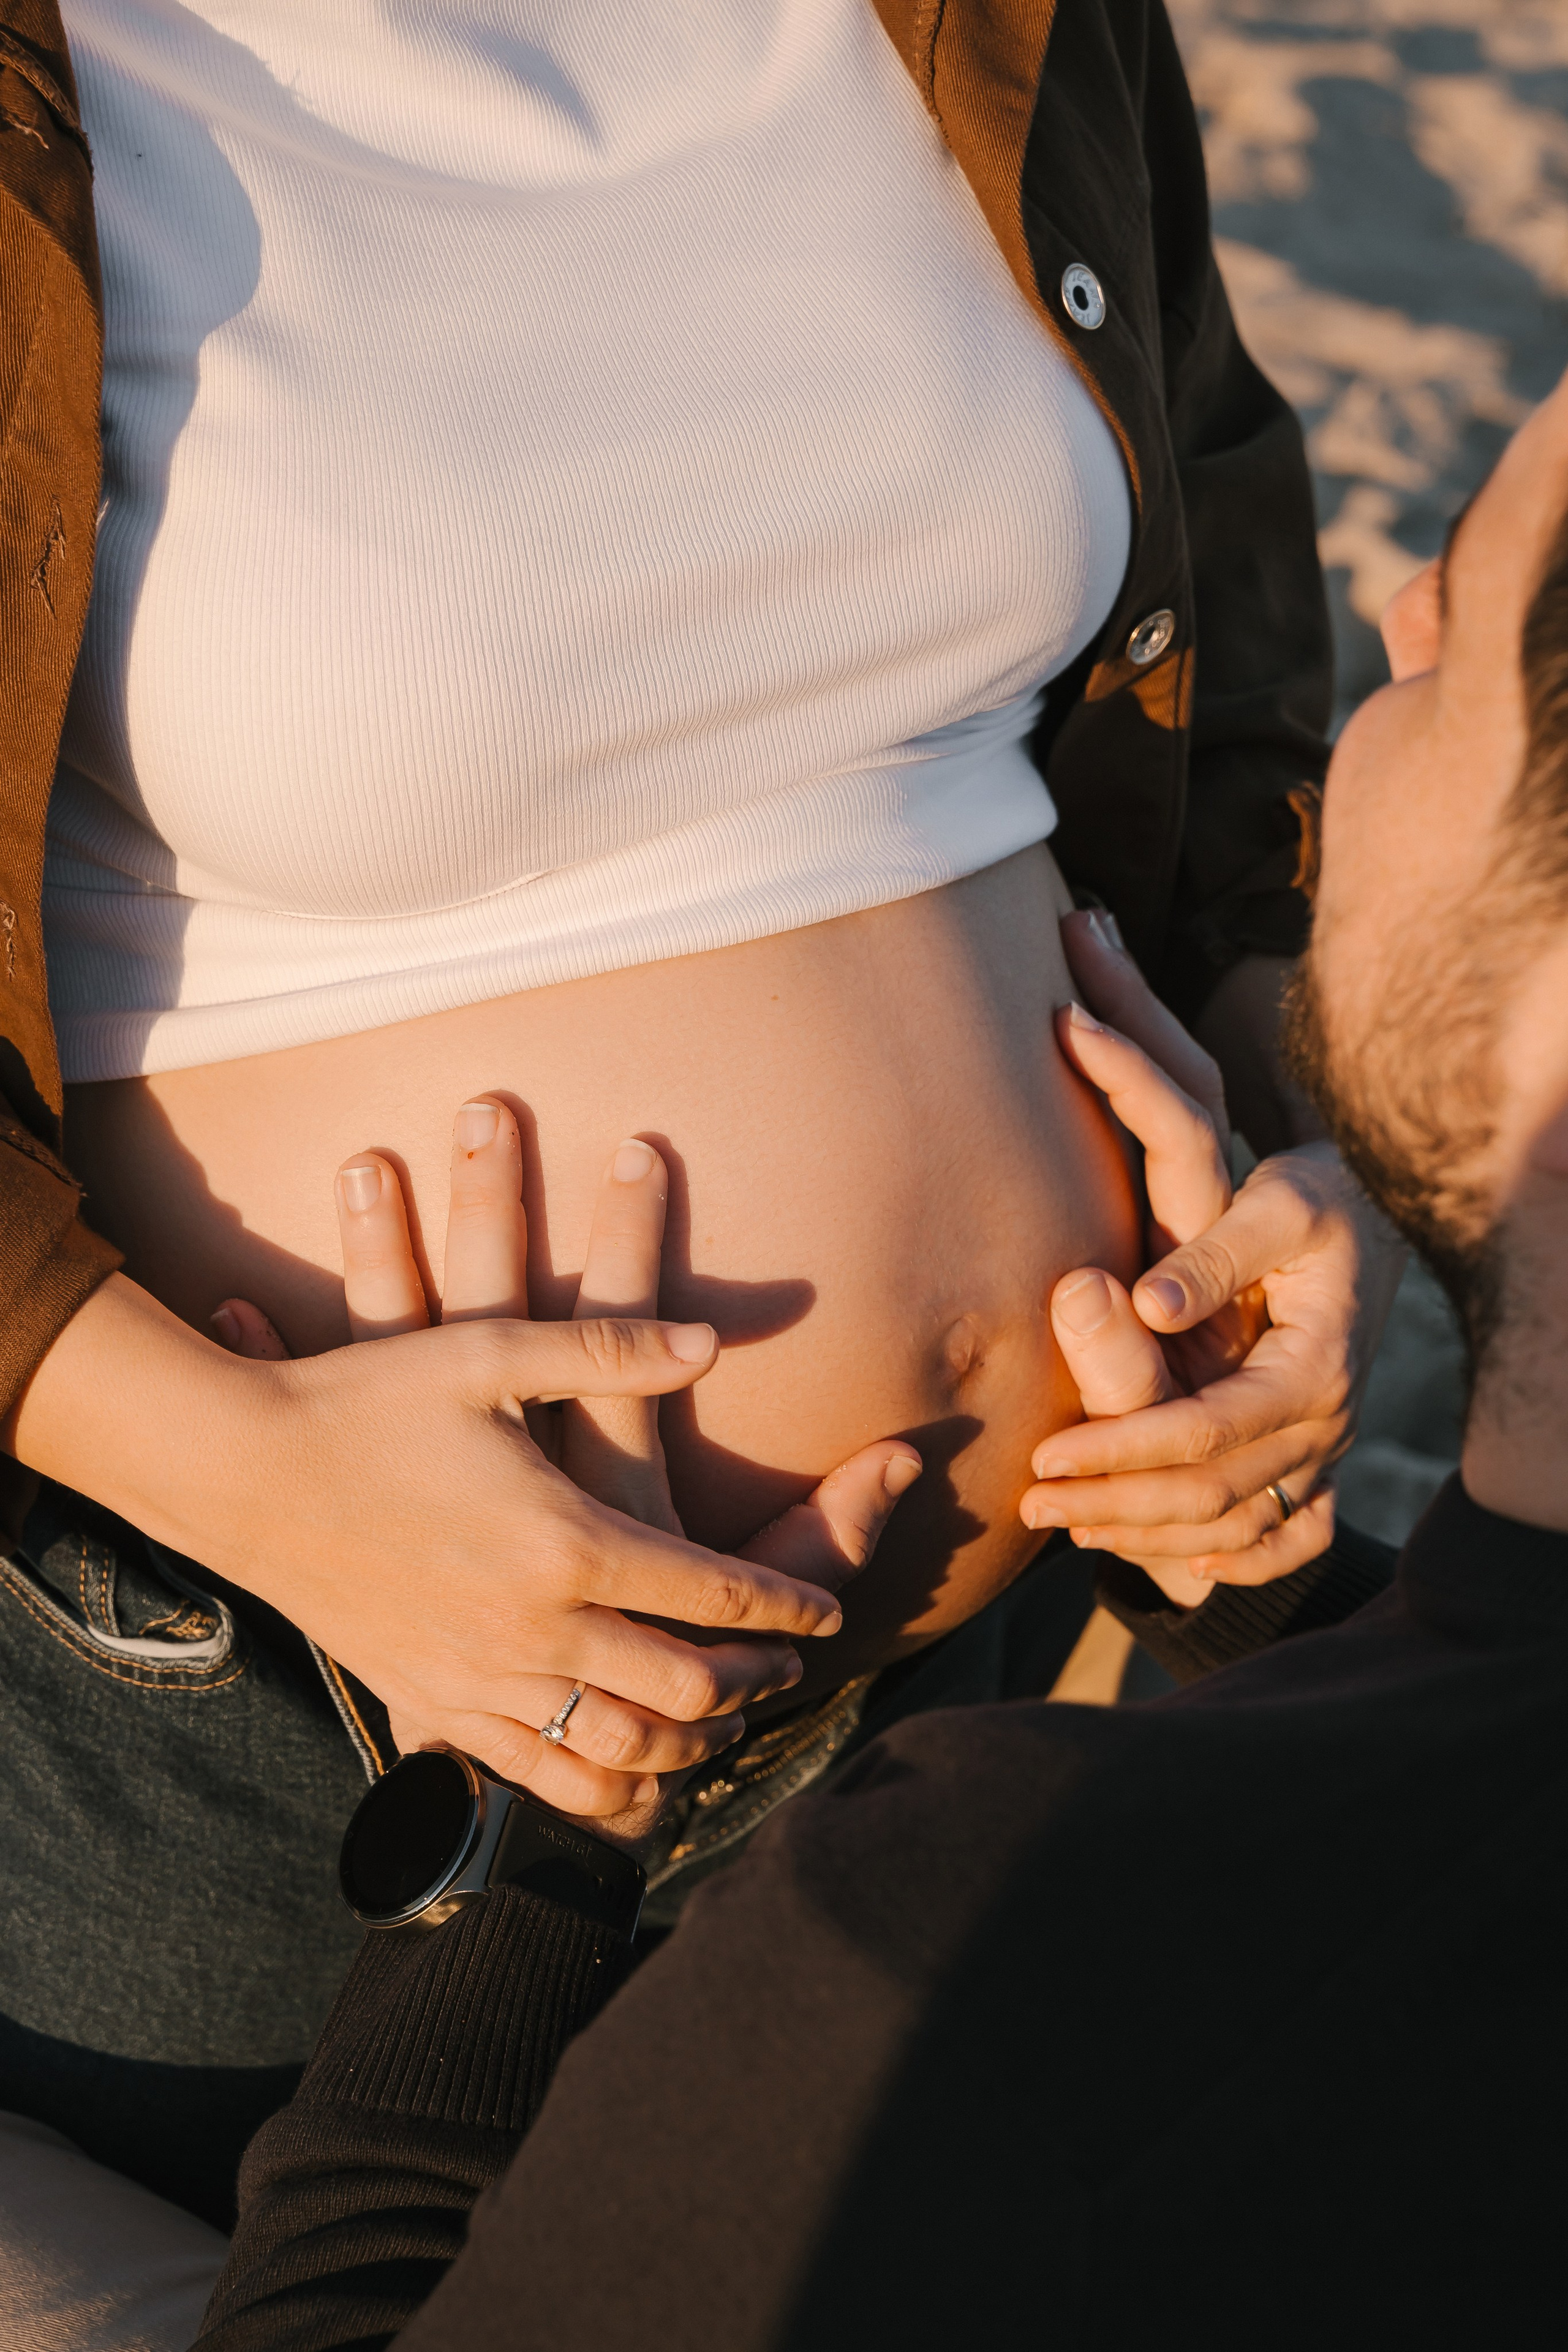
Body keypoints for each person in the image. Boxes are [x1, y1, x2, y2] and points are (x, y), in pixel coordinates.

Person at [0, 0, 1398, 2217]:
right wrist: (269, 1492)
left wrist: (1312, 1160)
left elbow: (1208, 556)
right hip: (312, 1712)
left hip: (990, 1660)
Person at [192, 363, 1568, 2348]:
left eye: (1472, 605)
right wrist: (1278, 1607)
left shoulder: (970, 1979)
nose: (1399, 620)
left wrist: (531, 1851)